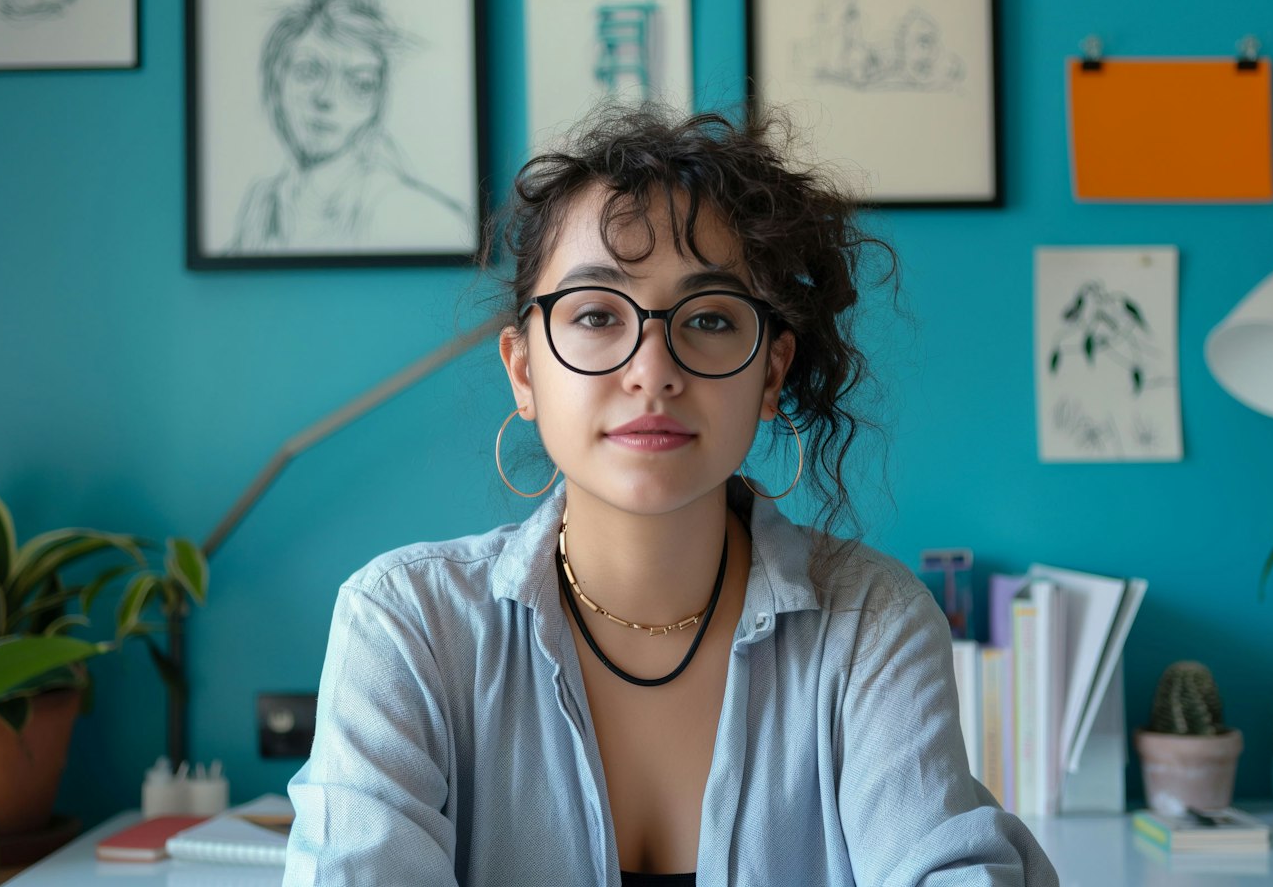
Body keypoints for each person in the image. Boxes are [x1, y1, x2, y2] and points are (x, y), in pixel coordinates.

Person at [283, 106, 1058, 886]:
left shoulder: (870, 623)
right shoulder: (407, 625)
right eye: (594, 315)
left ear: (771, 374)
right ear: (523, 370)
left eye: (711, 318)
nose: (652, 368)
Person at [229, 0, 471, 255]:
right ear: (276, 81)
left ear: (377, 102)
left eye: (359, 83)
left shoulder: (400, 208)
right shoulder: (264, 202)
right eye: (309, 71)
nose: (326, 99)